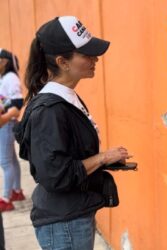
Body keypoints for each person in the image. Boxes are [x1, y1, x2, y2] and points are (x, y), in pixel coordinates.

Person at [13, 16, 131, 250]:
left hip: (71, 216)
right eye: (86, 54)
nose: (95, 59)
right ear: (62, 62)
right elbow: (54, 174)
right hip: (63, 223)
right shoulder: (50, 110)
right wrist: (103, 158)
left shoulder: (65, 98)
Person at [0, 49, 25, 212]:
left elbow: (18, 101)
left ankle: (6, 198)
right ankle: (16, 191)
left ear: (4, 61)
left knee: (5, 161)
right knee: (11, 159)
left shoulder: (10, 78)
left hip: (7, 123)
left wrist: (5, 113)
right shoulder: (4, 77)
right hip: (5, 122)